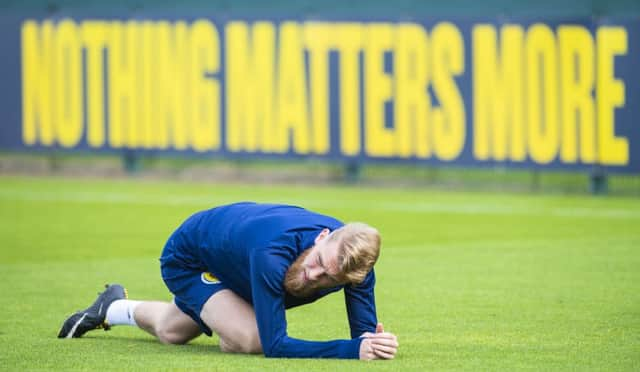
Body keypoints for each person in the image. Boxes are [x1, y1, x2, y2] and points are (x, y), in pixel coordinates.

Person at [58, 202, 399, 360]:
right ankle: (227, 326)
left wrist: (373, 342)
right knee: (250, 338)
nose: (314, 275)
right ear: (323, 237)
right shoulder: (272, 255)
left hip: (239, 264)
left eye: (329, 278)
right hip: (191, 256)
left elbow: (365, 336)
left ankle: (113, 306)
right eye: (318, 262)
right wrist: (349, 349)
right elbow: (276, 345)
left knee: (171, 332)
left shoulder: (353, 268)